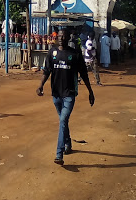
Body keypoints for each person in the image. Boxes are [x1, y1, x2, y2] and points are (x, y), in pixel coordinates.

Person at [36, 28, 95, 165]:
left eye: (64, 36)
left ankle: (59, 154)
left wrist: (90, 92)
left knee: (62, 121)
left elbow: (84, 74)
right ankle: (68, 143)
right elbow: (47, 71)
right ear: (57, 38)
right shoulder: (52, 52)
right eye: (60, 36)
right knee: (63, 122)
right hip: (56, 94)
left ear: (69, 38)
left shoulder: (75, 54)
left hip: (69, 94)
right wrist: (40, 85)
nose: (61, 38)